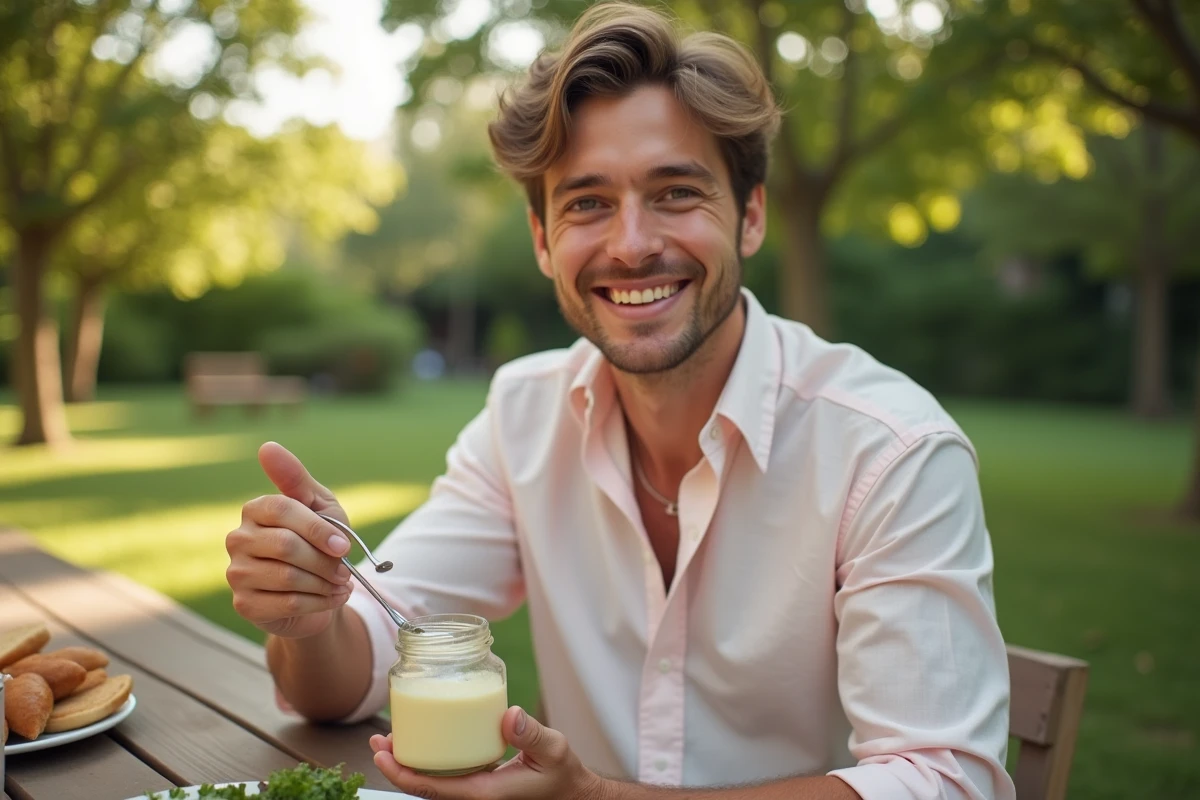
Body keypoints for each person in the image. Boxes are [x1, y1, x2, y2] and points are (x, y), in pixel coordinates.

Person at [225, 4, 1015, 798]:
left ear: (750, 217)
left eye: (675, 193)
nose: (632, 243)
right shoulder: (523, 416)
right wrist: (309, 617)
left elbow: (943, 783)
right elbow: (343, 681)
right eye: (588, 203)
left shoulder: (891, 451)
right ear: (542, 241)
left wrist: (595, 798)